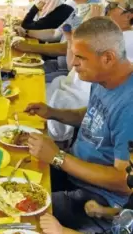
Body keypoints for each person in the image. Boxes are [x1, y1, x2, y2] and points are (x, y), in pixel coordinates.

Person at [25, 17, 133, 232]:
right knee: (11, 176)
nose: (73, 63)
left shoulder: (130, 104)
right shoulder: (104, 79)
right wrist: (54, 113)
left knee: (18, 214)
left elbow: (125, 182)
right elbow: (95, 116)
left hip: (100, 199)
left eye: (80, 57)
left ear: (108, 58)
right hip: (73, 171)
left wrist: (57, 157)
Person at [47, 0, 133, 147]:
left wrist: (57, 158)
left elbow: (120, 172)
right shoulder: (99, 80)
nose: (106, 9)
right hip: (74, 155)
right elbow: (88, 114)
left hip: (78, 163)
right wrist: (50, 112)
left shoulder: (122, 43)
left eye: (113, 5)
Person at [13, 0, 102, 82]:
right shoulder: (81, 8)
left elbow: (69, 47)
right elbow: (55, 33)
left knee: (27, 80)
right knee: (18, 70)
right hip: (59, 65)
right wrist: (26, 32)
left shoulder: (95, 11)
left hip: (72, 74)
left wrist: (29, 47)